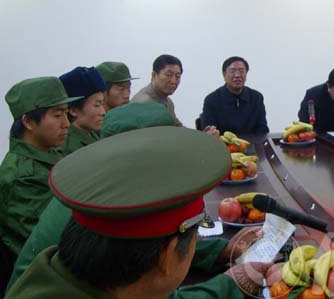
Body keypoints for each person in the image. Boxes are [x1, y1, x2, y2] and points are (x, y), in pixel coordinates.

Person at [7, 102, 261, 292]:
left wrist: (219, 251)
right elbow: (149, 279)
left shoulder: (92, 197)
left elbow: (155, 241)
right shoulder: (119, 215)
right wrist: (230, 284)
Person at [0, 77, 79, 295]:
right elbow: (47, 245)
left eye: (66, 113)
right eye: (57, 114)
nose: (66, 123)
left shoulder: (48, 156)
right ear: (28, 122)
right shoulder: (23, 178)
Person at [200, 56, 269, 134]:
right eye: (232, 71)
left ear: (246, 74)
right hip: (222, 141)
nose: (237, 75)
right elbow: (209, 131)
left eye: (241, 71)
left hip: (252, 142)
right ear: (224, 74)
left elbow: (263, 129)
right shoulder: (211, 100)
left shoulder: (256, 98)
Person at [58, 67, 107, 156]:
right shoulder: (70, 149)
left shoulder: (93, 134)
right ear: (73, 110)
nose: (103, 112)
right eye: (97, 105)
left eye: (102, 104)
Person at [131, 54, 184, 126]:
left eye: (177, 76)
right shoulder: (144, 104)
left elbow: (177, 126)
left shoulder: (168, 102)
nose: (173, 81)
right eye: (168, 75)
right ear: (154, 75)